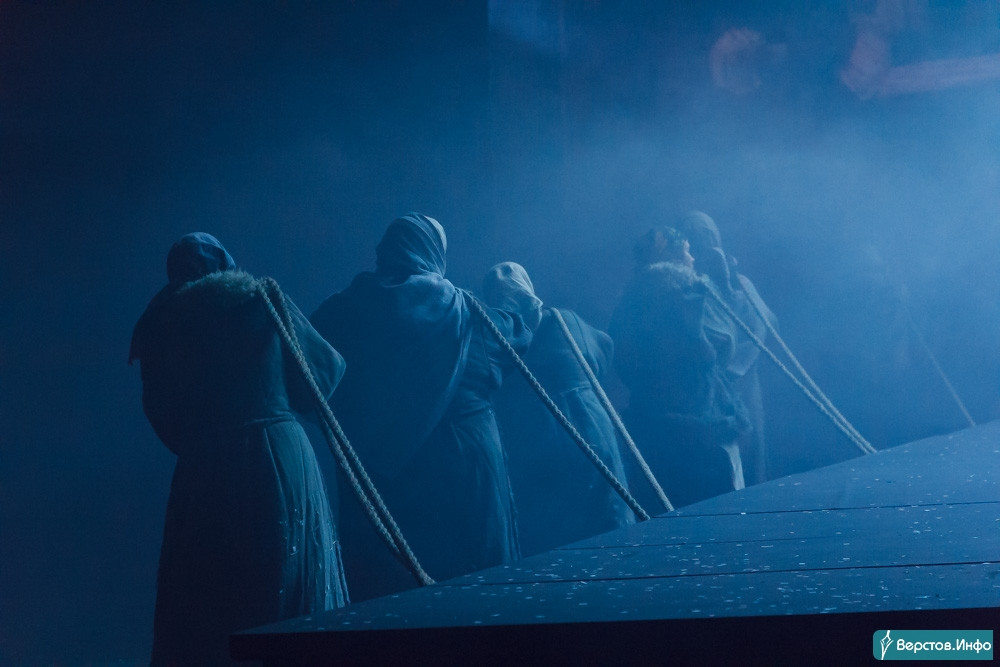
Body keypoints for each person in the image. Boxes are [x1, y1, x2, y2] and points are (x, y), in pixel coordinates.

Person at [129, 233, 348, 665]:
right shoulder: (259, 298)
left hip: (203, 469)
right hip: (278, 454)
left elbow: (163, 416)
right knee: (285, 581)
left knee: (210, 594)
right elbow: (323, 373)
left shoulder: (159, 325)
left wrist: (203, 442)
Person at [310, 214, 533, 602]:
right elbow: (516, 333)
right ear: (434, 253)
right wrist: (513, 292)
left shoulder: (338, 313)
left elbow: (308, 364)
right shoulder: (467, 313)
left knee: (388, 598)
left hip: (376, 481)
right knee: (475, 596)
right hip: (463, 474)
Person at [484, 262, 636, 555]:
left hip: (533, 435)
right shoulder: (565, 321)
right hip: (588, 423)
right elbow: (603, 348)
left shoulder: (497, 338)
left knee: (560, 536)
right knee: (609, 517)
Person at [609, 227, 749, 510]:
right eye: (687, 250)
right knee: (717, 507)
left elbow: (620, 356)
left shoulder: (629, 301)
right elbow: (723, 341)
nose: (693, 258)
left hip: (651, 421)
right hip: (701, 421)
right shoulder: (688, 292)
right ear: (672, 255)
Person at [676, 210, 777, 485]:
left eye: (706, 235)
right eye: (696, 237)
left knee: (752, 456)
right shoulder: (686, 287)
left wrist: (733, 370)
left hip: (742, 384)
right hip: (706, 392)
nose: (703, 242)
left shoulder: (738, 282)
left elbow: (764, 325)